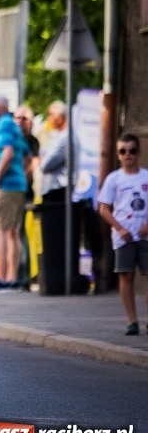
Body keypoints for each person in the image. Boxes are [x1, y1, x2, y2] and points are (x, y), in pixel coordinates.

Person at [97, 134, 148, 335]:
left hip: (144, 235)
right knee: (126, 276)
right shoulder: (114, 179)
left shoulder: (145, 177)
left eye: (132, 151)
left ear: (139, 152)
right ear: (118, 155)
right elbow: (104, 208)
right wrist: (120, 229)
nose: (128, 155)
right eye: (123, 151)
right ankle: (132, 321)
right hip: (124, 236)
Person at [0, 96, 28, 291]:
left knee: (1, 231)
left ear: (2, 107)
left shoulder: (4, 125)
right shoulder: (13, 126)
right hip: (15, 185)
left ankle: (3, 278)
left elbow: (8, 153)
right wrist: (21, 175)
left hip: (6, 186)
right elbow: (27, 156)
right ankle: (11, 277)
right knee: (12, 232)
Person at [14, 106, 40, 291]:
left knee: (20, 234)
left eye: (24, 118)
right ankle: (16, 275)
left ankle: (23, 277)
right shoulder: (14, 139)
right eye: (17, 118)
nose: (20, 121)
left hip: (23, 192)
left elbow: (33, 162)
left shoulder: (30, 140)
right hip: (14, 191)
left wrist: (21, 179)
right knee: (14, 234)